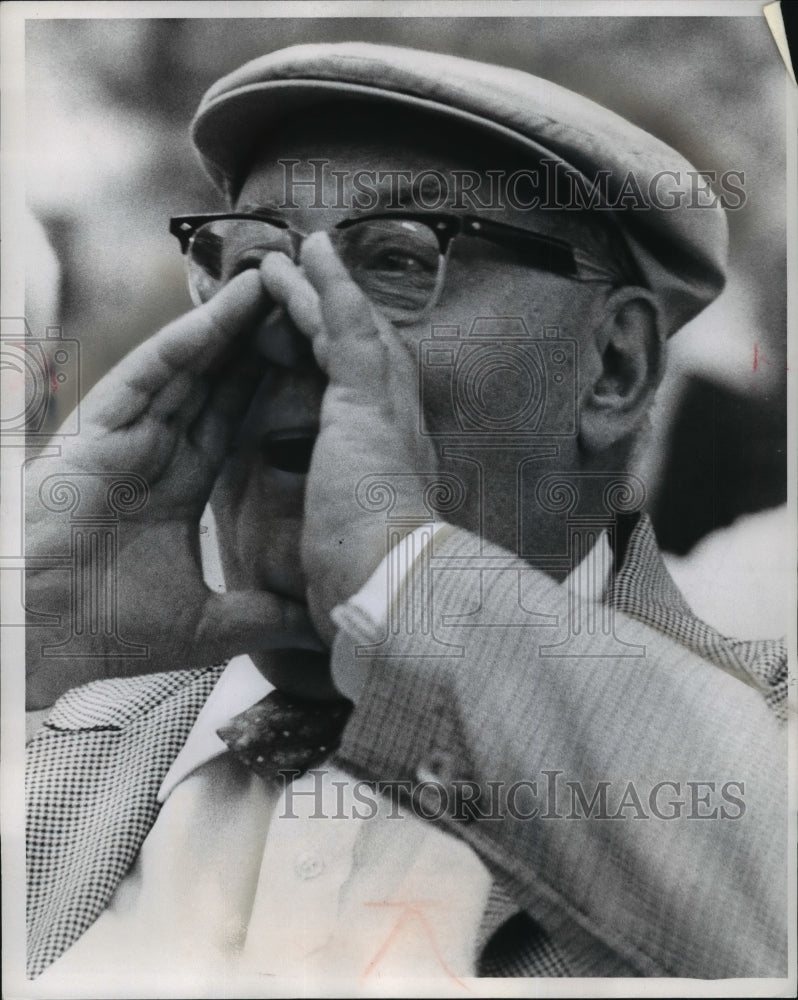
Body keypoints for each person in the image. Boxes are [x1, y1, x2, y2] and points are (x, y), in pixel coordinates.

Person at [25, 42, 787, 988]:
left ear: (614, 368)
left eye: (396, 257)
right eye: (252, 262)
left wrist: (406, 593)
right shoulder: (52, 720)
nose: (286, 318)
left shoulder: (765, 744)